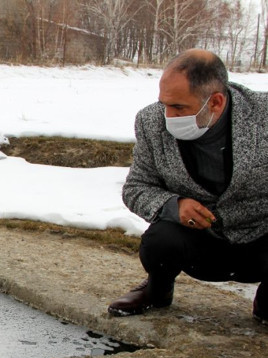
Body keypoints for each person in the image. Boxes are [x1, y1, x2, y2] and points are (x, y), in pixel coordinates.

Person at [108, 49, 268, 323]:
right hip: (202, 244)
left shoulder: (262, 117)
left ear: (215, 102)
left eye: (179, 107)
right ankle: (157, 290)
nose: (168, 115)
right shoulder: (150, 121)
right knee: (159, 241)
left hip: (262, 239)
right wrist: (174, 205)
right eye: (164, 103)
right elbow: (136, 187)